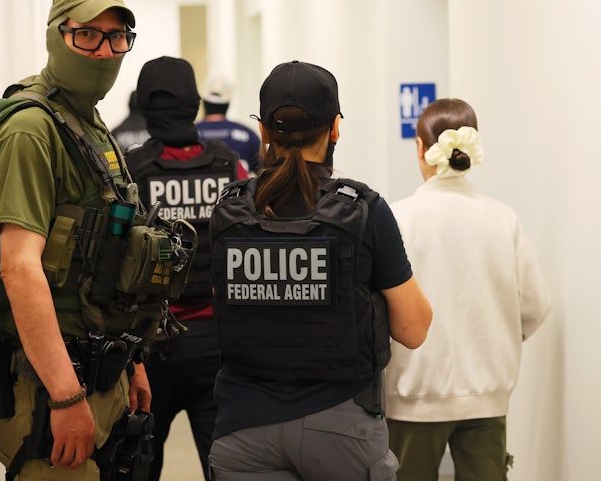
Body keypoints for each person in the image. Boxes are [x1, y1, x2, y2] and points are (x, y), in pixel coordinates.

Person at [0, 0, 160, 480]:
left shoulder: (86, 121)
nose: (104, 51)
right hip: (52, 387)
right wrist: (65, 396)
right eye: (86, 34)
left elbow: (109, 253)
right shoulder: (31, 128)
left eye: (116, 37)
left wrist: (131, 361)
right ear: (56, 36)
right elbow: (19, 267)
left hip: (98, 371)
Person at [207, 60, 433, 481]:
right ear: (334, 129)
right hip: (342, 428)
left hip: (242, 429)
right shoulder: (364, 210)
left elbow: (225, 311)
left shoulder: (230, 209)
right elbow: (413, 330)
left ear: (263, 133)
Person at [385, 98, 552, 481]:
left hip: (414, 394)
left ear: (421, 149)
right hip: (487, 394)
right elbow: (537, 304)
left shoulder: (399, 218)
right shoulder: (501, 217)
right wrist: (500, 336)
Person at [124, 56, 248, 481]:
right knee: (226, 467)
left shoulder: (130, 170)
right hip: (217, 345)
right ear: (194, 103)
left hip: (148, 346)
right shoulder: (231, 166)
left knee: (138, 466)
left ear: (143, 104)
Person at [196, 74, 261, 175]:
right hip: (241, 190)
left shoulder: (191, 134)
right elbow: (264, 173)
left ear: (203, 102)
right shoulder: (248, 135)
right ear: (228, 104)